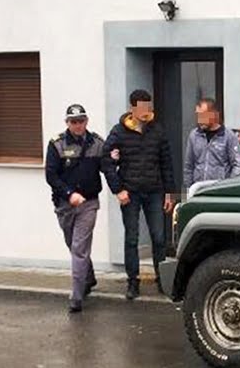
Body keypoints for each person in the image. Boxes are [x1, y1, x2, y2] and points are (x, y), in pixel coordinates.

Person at [104, 89, 175, 300]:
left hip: (154, 191)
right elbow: (106, 161)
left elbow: (166, 163)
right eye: (142, 107)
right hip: (130, 193)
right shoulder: (119, 132)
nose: (146, 111)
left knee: (159, 237)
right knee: (132, 238)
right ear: (132, 108)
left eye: (148, 107)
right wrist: (118, 190)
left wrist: (169, 193)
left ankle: (162, 280)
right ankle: (133, 281)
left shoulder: (157, 130)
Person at [45, 104, 111, 313]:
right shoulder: (57, 144)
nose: (78, 125)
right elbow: (51, 175)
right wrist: (69, 194)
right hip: (64, 205)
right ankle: (88, 278)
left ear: (86, 121)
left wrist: (118, 182)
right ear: (67, 123)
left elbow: (108, 168)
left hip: (88, 203)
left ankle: (76, 296)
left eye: (81, 121)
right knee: (72, 244)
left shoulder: (97, 143)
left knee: (79, 247)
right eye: (73, 122)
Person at [182, 97, 240, 191]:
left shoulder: (228, 136)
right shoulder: (194, 136)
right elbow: (188, 165)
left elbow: (238, 165)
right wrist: (189, 188)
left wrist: (228, 186)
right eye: (198, 115)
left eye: (203, 115)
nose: (200, 120)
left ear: (213, 115)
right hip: (198, 190)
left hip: (219, 191)